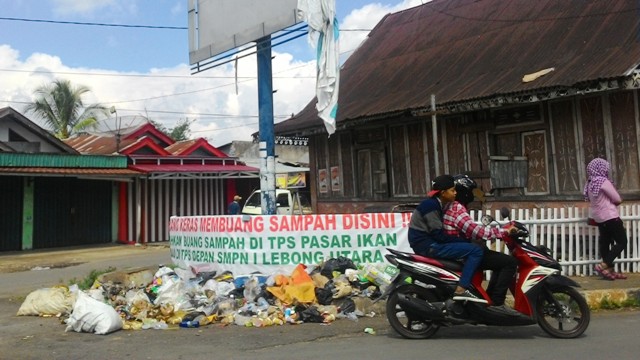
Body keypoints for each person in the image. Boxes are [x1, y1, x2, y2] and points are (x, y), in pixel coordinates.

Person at [443, 174, 518, 312]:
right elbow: (476, 231)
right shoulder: (457, 208)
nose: (472, 195)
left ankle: (490, 298)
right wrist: (503, 232)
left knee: (499, 262)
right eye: (470, 191)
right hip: (463, 252)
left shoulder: (451, 206)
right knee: (510, 263)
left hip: (459, 247)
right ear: (464, 192)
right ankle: (497, 303)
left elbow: (468, 229)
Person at [408, 174, 486, 303]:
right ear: (443, 193)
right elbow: (439, 235)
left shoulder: (436, 204)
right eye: (452, 190)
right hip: (428, 246)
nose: (455, 193)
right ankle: (461, 289)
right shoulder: (431, 206)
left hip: (427, 244)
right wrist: (466, 241)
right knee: (475, 251)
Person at [584, 158, 628, 280]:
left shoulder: (589, 183)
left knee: (605, 243)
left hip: (599, 219)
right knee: (622, 242)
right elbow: (617, 199)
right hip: (610, 216)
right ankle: (604, 265)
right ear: (601, 169)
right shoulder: (603, 181)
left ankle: (609, 271)